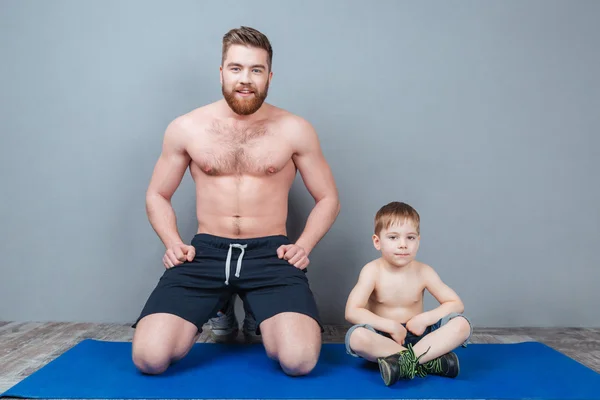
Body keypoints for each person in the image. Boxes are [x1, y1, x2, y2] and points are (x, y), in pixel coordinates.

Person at [131, 26, 340, 377]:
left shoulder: (295, 129)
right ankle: (221, 303)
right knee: (150, 358)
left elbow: (328, 197)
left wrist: (303, 246)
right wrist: (172, 243)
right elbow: (157, 194)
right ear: (222, 71)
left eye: (256, 70)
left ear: (269, 76)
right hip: (206, 252)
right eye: (236, 68)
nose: (246, 79)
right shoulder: (187, 127)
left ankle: (257, 308)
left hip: (270, 254)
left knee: (299, 361)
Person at [344, 202, 472, 386]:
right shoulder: (372, 271)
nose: (403, 245)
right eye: (393, 237)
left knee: (462, 324)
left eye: (410, 238)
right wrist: (390, 326)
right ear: (377, 242)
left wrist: (426, 319)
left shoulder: (424, 271)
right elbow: (352, 311)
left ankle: (402, 362)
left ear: (418, 241)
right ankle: (428, 361)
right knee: (357, 337)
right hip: (384, 338)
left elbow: (455, 304)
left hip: (420, 335)